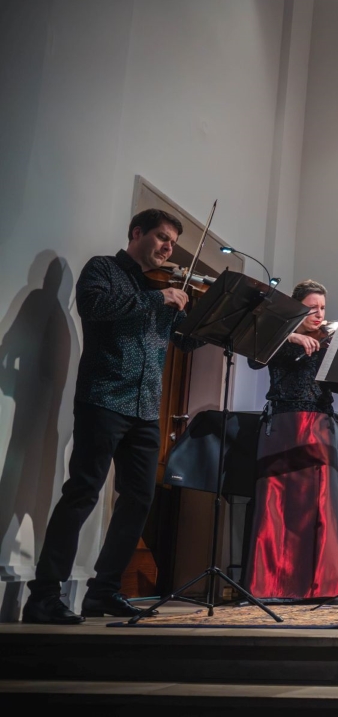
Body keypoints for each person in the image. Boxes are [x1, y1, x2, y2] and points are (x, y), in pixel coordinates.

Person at [22, 209, 199, 624]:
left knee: (139, 498)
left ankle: (103, 592)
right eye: (161, 237)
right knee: (82, 493)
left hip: (144, 409)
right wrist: (158, 298)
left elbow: (185, 343)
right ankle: (43, 596)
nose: (167, 248)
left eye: (172, 243)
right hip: (103, 398)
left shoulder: (162, 286)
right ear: (137, 233)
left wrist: (202, 319)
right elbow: (96, 307)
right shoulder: (104, 269)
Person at [243, 280, 338, 602]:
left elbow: (337, 387)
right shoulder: (280, 336)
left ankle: (324, 585)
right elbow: (254, 358)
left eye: (322, 307)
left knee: (320, 505)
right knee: (279, 504)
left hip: (319, 424)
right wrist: (289, 334)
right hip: (284, 423)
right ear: (297, 309)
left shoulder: (326, 341)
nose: (319, 314)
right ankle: (273, 585)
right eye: (311, 308)